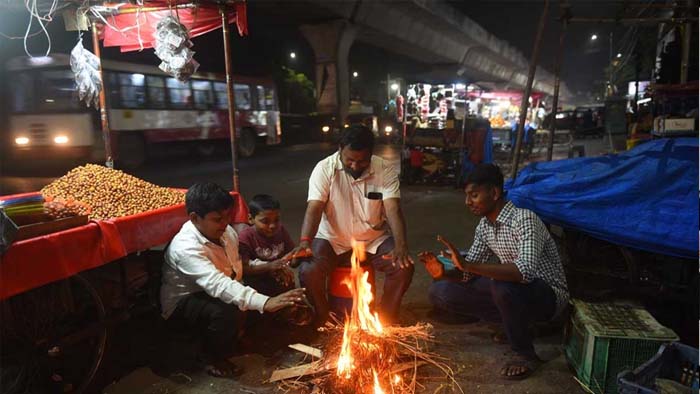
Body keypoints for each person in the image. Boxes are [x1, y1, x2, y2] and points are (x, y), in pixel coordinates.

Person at [419, 164, 569, 380]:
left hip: (547, 296)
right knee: (441, 291)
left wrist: (467, 265)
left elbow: (523, 273)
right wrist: (445, 273)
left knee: (502, 284)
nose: (467, 202)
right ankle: (517, 325)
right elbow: (468, 273)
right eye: (467, 196)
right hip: (515, 291)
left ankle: (524, 353)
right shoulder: (484, 227)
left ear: (495, 193)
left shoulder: (524, 219)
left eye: (474, 195)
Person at [160, 182, 306, 378]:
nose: (225, 223)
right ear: (195, 218)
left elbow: (236, 265)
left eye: (228, 216)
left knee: (257, 290)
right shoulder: (185, 248)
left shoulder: (226, 232)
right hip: (185, 304)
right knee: (227, 309)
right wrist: (266, 302)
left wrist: (274, 266)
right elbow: (218, 284)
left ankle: (240, 336)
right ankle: (211, 358)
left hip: (220, 288)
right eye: (218, 219)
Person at [294, 125, 415, 326]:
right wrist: (305, 241)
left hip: (373, 239)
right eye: (350, 160)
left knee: (403, 267)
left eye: (362, 161)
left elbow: (393, 209)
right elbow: (314, 208)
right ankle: (324, 319)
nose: (356, 165)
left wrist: (401, 245)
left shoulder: (384, 170)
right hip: (332, 238)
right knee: (309, 270)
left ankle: (386, 319)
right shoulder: (324, 169)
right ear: (340, 149)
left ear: (371, 153)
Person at [238, 194, 296, 297]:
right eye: (265, 221)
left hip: (280, 278)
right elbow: (243, 269)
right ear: (251, 219)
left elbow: (291, 253)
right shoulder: (245, 237)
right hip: (257, 282)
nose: (272, 226)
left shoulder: (281, 230)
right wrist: (269, 267)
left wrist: (287, 264)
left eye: (276, 220)